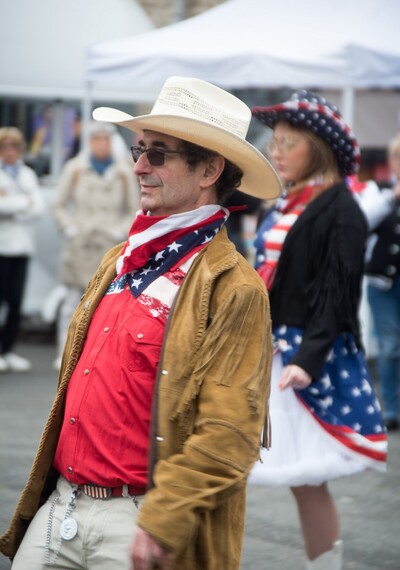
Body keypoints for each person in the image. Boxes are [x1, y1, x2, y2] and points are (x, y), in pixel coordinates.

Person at [0, 76, 281, 570]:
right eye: (139, 149)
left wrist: (164, 520)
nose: (139, 166)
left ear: (209, 169)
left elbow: (231, 430)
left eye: (158, 154)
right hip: (62, 504)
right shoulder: (121, 258)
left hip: (140, 520)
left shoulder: (234, 287)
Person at [249, 90, 388, 569]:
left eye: (289, 142)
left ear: (318, 148)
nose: (276, 150)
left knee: (306, 480)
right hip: (260, 348)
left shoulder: (341, 209)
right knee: (220, 464)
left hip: (300, 357)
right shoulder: (284, 203)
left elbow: (337, 294)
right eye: (275, 141)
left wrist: (308, 359)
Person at [53, 121, 140, 369]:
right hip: (80, 244)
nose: (101, 144)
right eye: (96, 139)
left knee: (107, 301)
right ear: (89, 142)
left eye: (105, 139)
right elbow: (59, 203)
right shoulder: (76, 168)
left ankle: (97, 355)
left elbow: (134, 208)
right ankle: (64, 351)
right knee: (71, 300)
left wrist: (120, 230)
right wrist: (70, 228)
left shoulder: (124, 171)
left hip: (109, 246)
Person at [358, 133, 400, 432]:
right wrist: (393, 196)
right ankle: (392, 410)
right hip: (383, 283)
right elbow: (362, 221)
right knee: (389, 346)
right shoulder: (378, 191)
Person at [0, 127, 44, 372]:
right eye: (5, 147)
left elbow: (37, 207)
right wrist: (22, 203)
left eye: (13, 147)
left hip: (22, 248)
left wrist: (10, 203)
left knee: (16, 301)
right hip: (1, 247)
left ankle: (8, 349)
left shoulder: (27, 174)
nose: (9, 152)